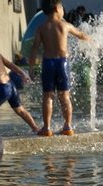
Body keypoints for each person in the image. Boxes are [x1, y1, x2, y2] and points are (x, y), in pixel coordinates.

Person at [29, 0, 90, 137]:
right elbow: (81, 36)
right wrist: (93, 40)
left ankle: (46, 128)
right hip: (62, 63)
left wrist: (31, 68)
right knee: (64, 96)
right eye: (62, 7)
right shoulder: (65, 25)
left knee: (47, 96)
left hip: (48, 63)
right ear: (57, 8)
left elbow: (34, 48)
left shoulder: (41, 27)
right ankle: (68, 126)